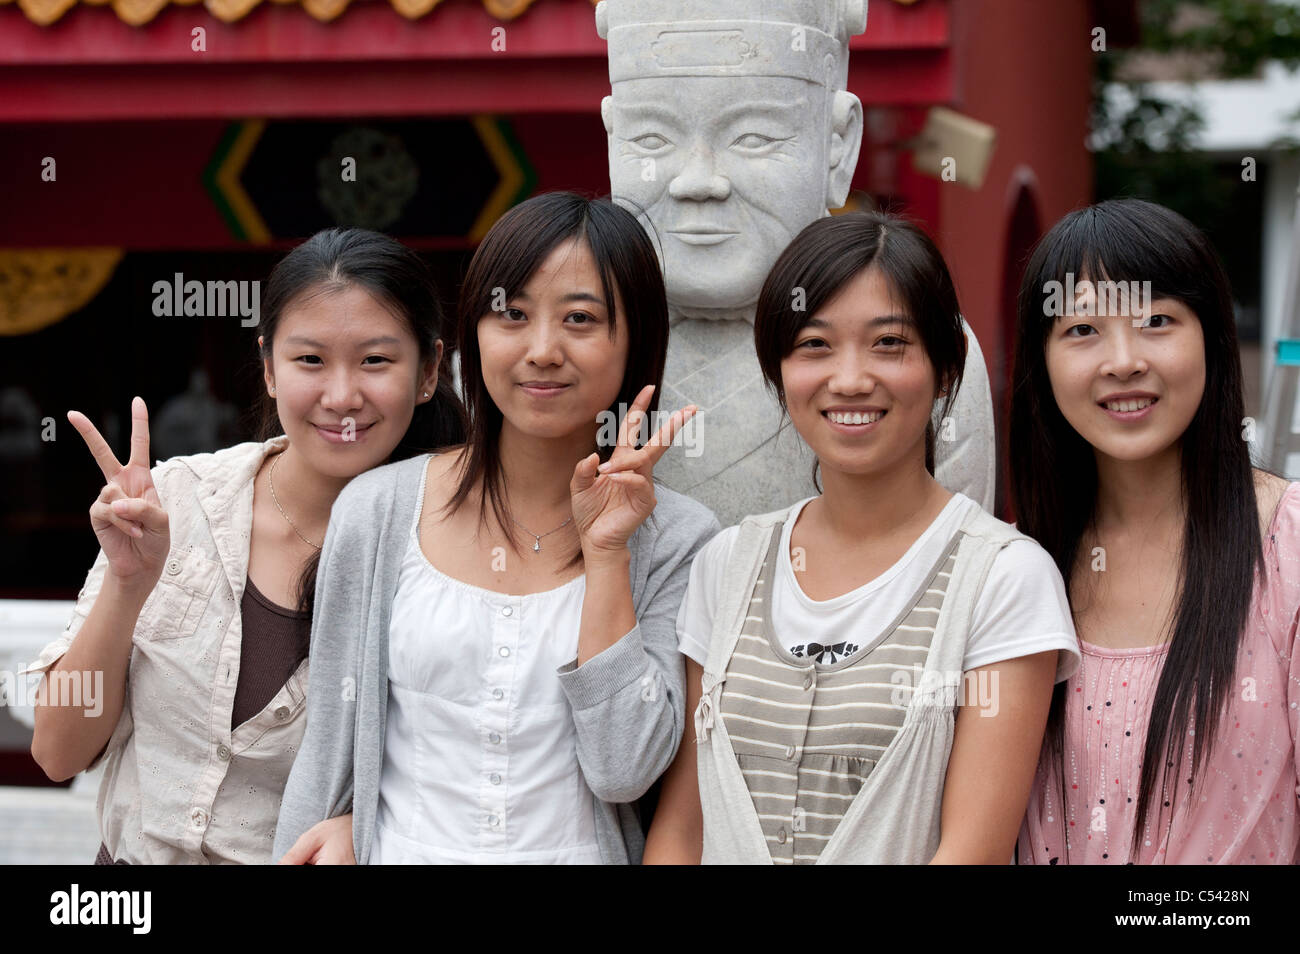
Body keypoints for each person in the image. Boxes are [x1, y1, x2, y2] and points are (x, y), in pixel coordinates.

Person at [272, 192, 720, 865]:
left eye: (580, 319)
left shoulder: (680, 540)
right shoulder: (378, 509)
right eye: (511, 315)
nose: (542, 350)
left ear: (637, 343)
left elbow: (624, 768)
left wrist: (606, 556)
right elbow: (330, 748)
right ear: (474, 333)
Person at [643, 211, 1080, 864]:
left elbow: (973, 851)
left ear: (946, 367)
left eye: (888, 344)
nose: (849, 379)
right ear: (779, 368)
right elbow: (682, 829)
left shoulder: (1002, 577)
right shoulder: (727, 564)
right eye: (814, 345)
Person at [24, 228, 464, 864]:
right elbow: (57, 752)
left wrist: (358, 827)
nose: (341, 397)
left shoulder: (449, 549)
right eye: (310, 360)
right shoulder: (176, 500)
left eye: (375, 361)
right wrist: (126, 585)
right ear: (269, 368)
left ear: (427, 372)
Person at [597, 0, 998, 524]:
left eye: (754, 137)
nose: (697, 181)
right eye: (651, 139)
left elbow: (954, 574)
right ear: (610, 138)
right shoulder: (558, 355)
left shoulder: (927, 354)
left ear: (837, 146)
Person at [1011, 198, 1299, 864]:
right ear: (1043, 362)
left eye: (1156, 322)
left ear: (1213, 339)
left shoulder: (1288, 546)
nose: (1123, 361)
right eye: (1082, 330)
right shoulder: (1016, 566)